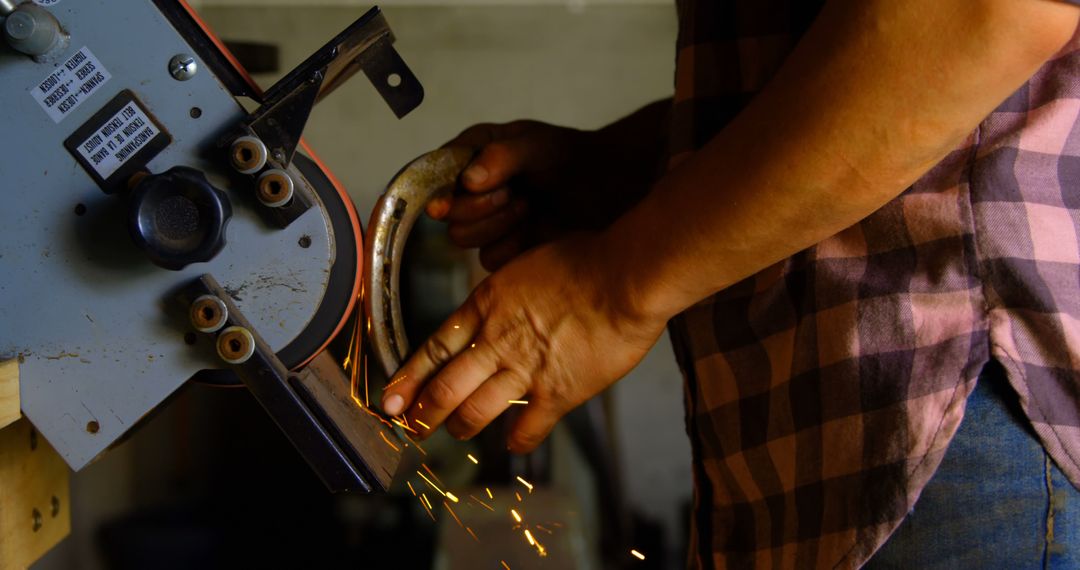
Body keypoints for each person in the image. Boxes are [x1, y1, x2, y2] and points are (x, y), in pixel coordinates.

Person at [380, 0, 1080, 566]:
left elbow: (984, 13)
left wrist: (610, 287)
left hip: (956, 414)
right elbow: (812, 66)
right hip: (814, 468)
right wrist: (623, 172)